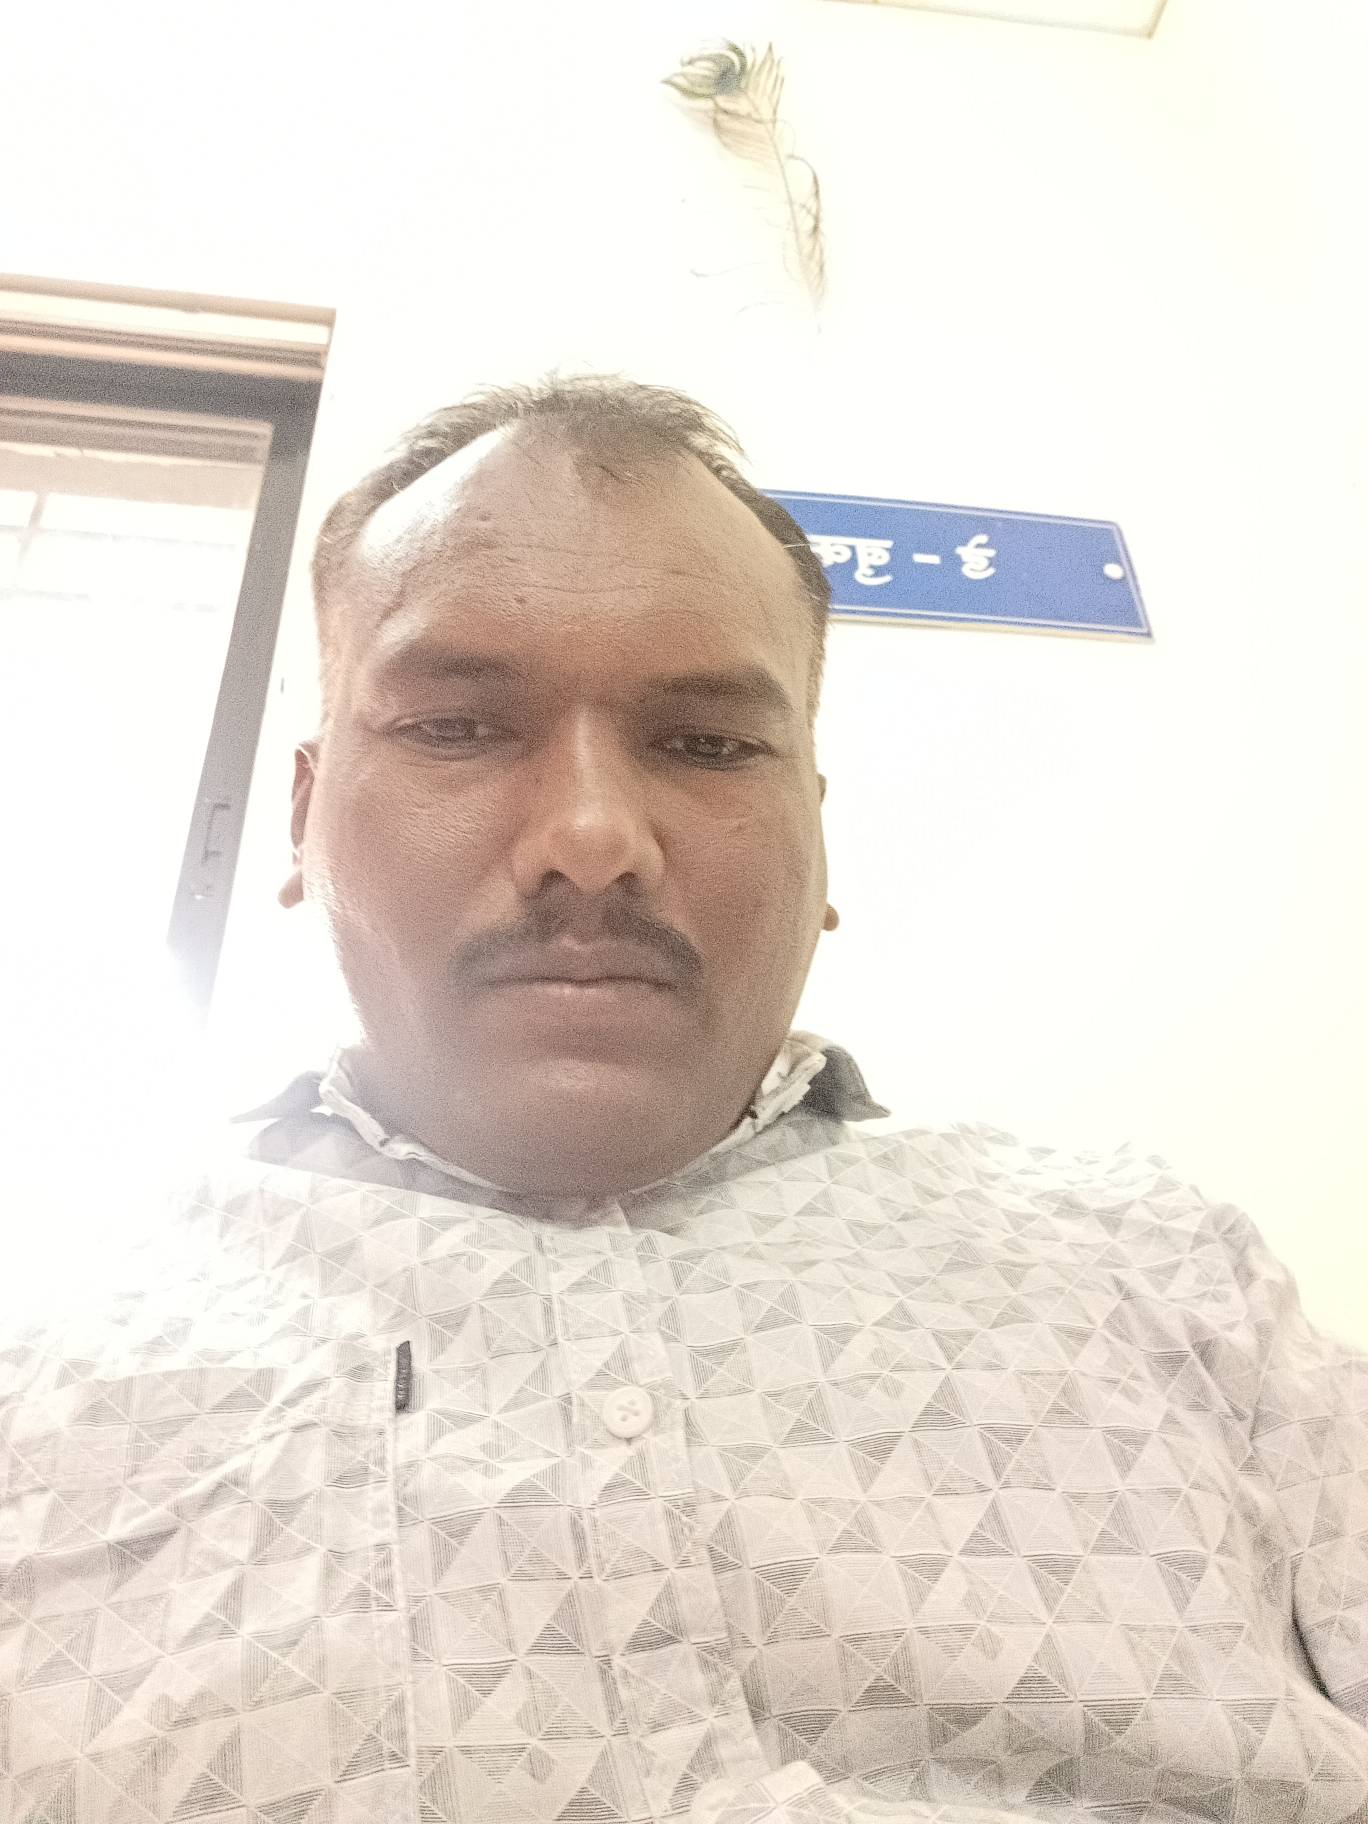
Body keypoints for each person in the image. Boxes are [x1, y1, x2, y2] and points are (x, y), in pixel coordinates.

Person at [4, 377, 1365, 1824]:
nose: (593, 839)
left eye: (710, 745)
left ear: (819, 839)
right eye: (457, 726)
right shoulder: (45, 1355)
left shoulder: (1169, 1272)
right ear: (302, 813)